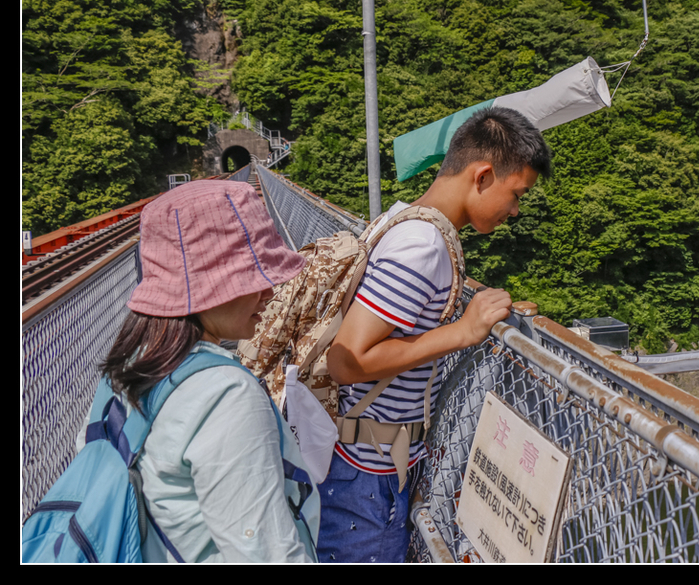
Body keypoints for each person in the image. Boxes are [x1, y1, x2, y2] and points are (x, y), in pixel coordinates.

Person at [320, 106, 552, 563]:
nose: (516, 210)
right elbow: (346, 359)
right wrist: (464, 332)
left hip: (368, 460)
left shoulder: (405, 219)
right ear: (483, 175)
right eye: (516, 193)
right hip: (366, 474)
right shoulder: (422, 246)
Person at [95, 180, 318, 562]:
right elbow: (264, 553)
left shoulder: (128, 366)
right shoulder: (226, 395)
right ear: (207, 290)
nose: (270, 291)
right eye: (251, 277)